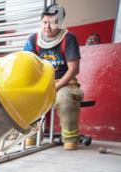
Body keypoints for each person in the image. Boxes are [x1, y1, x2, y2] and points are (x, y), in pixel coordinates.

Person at [24, 4, 84, 150]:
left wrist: (56, 86)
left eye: (52, 23)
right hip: (42, 82)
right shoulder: (33, 39)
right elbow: (27, 65)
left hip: (66, 81)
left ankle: (70, 138)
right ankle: (31, 135)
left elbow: (74, 69)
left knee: (65, 99)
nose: (47, 27)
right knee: (28, 99)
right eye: (45, 22)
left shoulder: (68, 38)